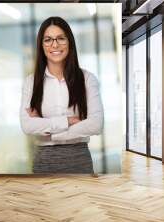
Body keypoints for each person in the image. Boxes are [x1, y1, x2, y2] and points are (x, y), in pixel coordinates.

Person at [20, 16, 104, 174]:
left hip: (79, 160)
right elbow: (27, 125)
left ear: (69, 42)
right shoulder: (31, 82)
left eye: (60, 38)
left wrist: (51, 133)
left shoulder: (87, 79)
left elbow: (96, 124)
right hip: (43, 162)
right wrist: (67, 121)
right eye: (48, 40)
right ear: (42, 45)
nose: (55, 44)